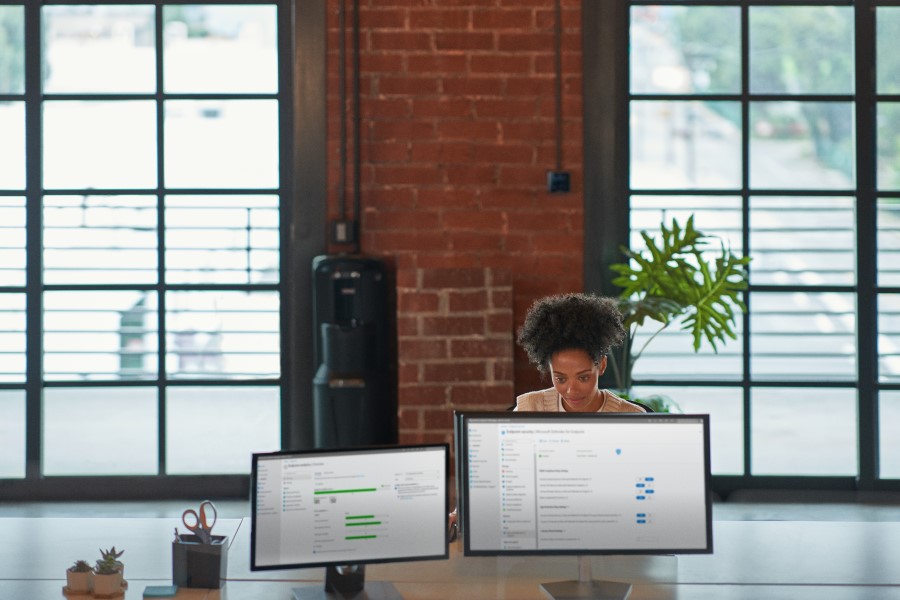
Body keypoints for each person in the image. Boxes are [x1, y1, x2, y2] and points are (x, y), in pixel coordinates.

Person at [514, 292, 647, 413]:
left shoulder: (631, 416)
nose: (572, 391)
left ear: (602, 365)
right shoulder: (529, 408)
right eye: (560, 379)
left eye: (583, 378)